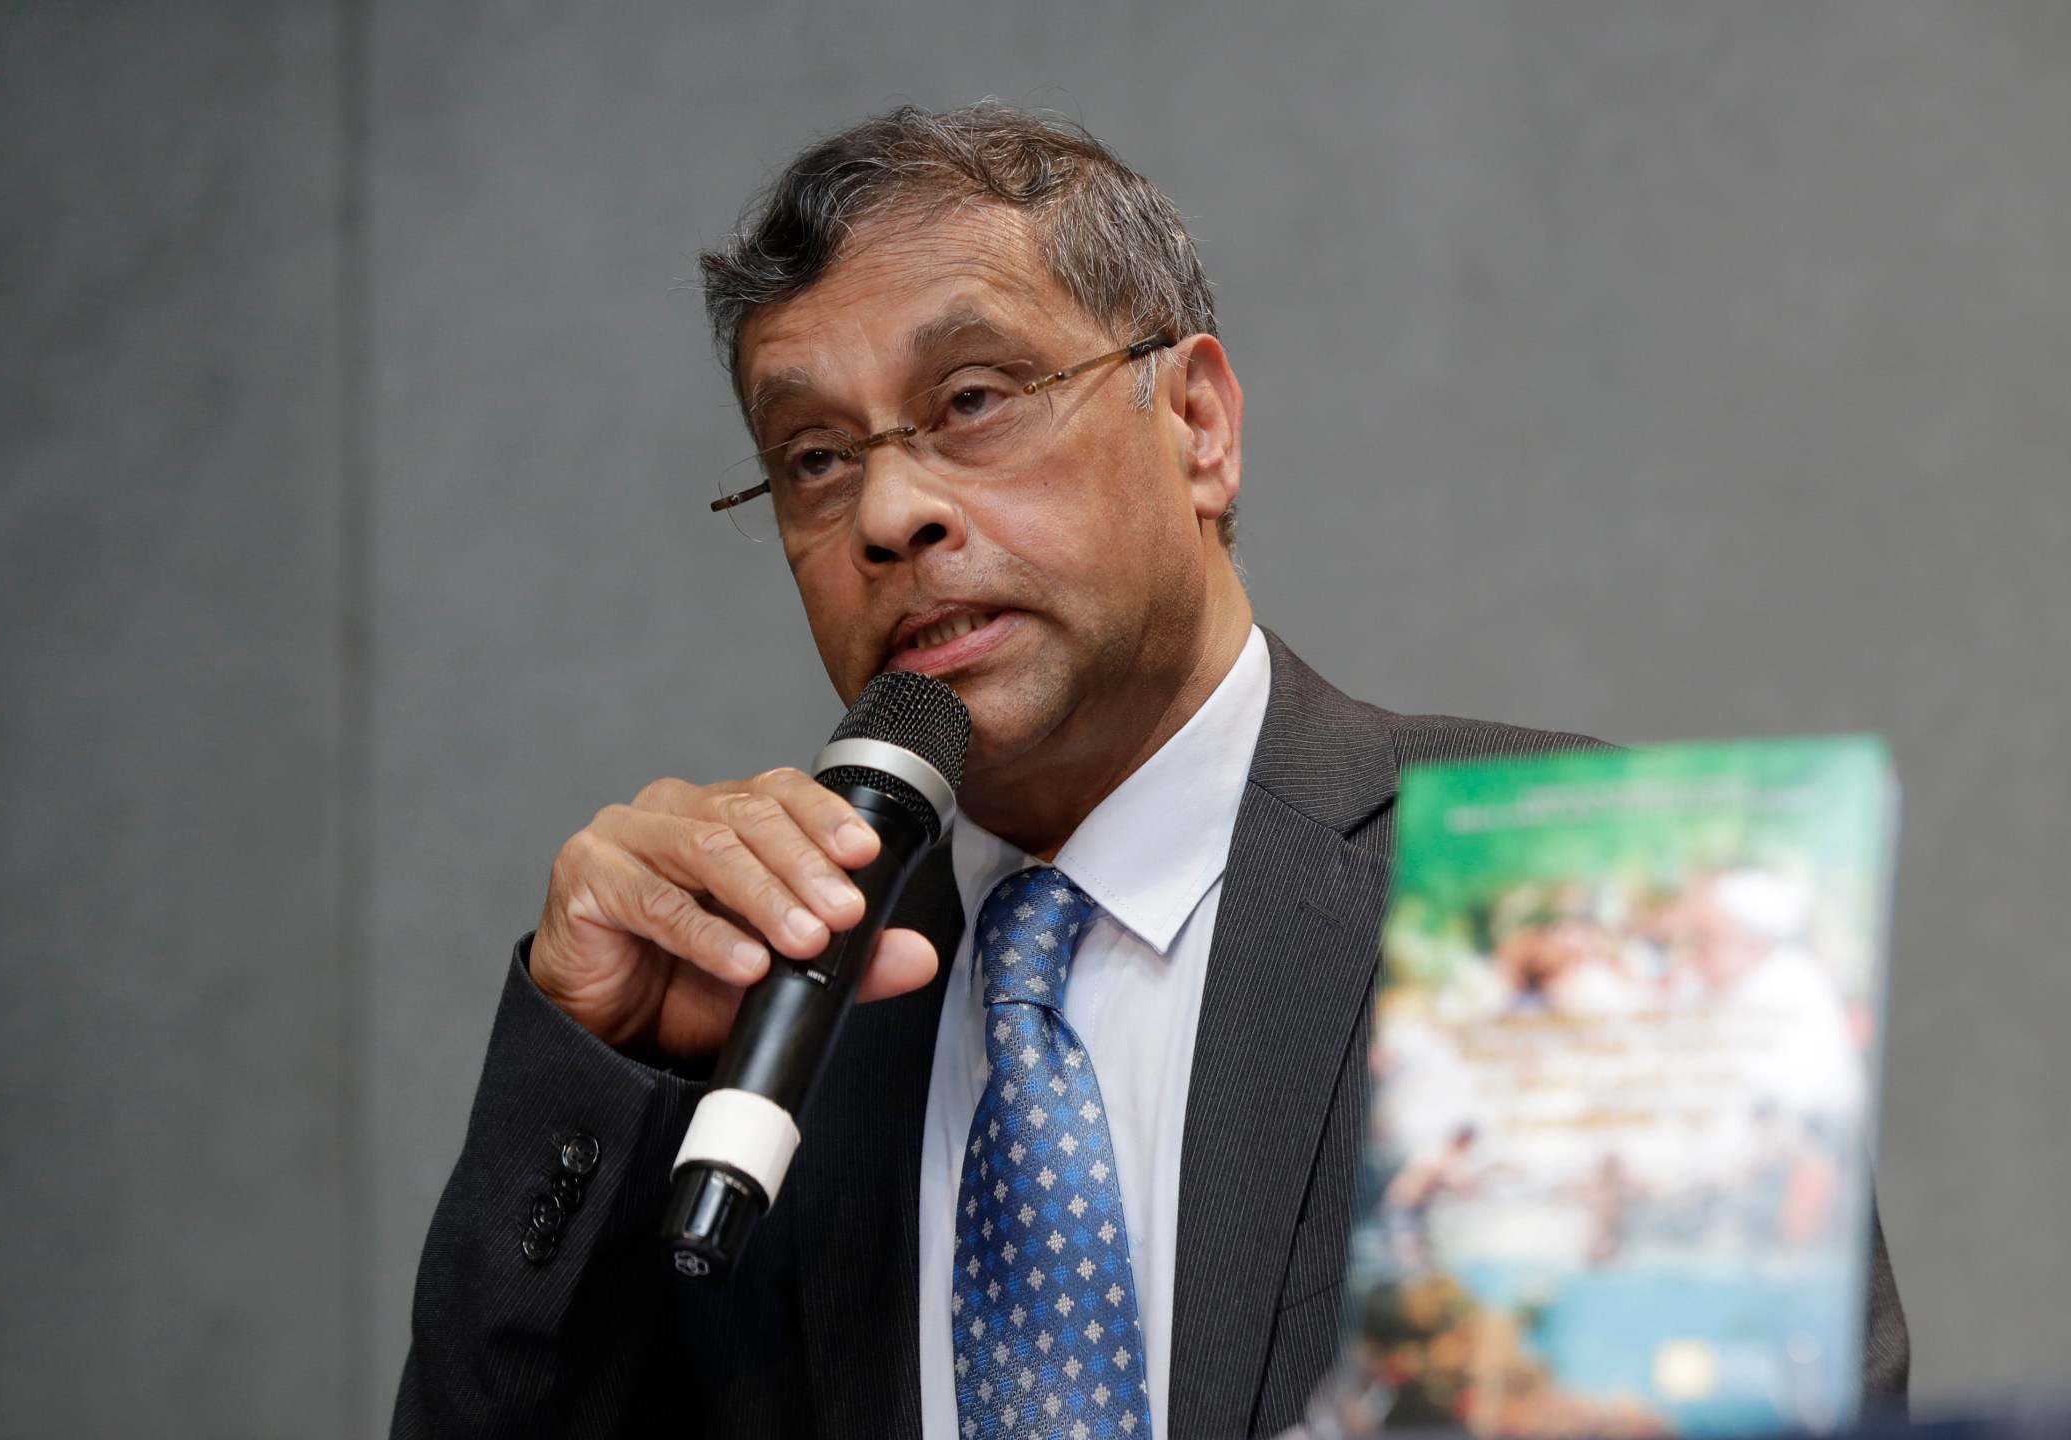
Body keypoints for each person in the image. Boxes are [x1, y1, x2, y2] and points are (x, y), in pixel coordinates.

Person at [392, 102, 1909, 1439]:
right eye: (812, 457)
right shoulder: (761, 1012)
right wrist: (595, 1063)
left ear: (1196, 425)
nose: (889, 513)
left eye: (971, 401)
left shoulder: (1581, 903)